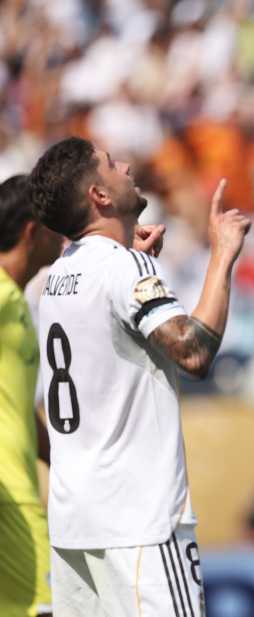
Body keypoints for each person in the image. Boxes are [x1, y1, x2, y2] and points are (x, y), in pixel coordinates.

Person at [29, 136, 251, 617]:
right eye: (110, 164)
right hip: (138, 521)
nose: (126, 165)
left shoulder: (58, 276)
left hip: (75, 523)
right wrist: (223, 254)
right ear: (99, 196)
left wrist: (136, 259)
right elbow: (193, 352)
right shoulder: (121, 268)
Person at [0, 174, 62, 617]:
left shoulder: (19, 301)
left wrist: (68, 458)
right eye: (52, 224)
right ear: (31, 231)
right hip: (10, 501)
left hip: (20, 495)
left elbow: (19, 409)